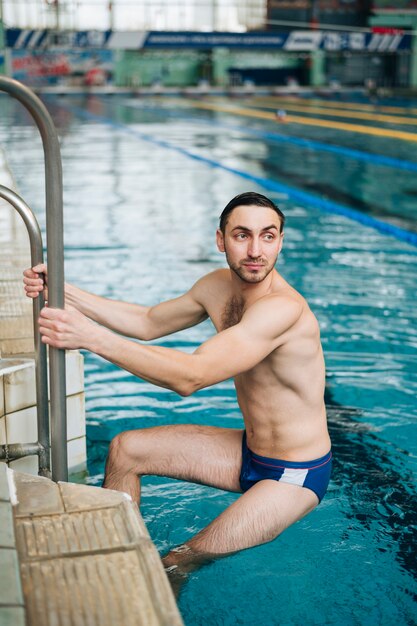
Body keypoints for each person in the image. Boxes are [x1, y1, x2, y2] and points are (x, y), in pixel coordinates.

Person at [23, 191, 331, 583]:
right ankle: (121, 564)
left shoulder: (282, 310)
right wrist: (64, 291)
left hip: (294, 472)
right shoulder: (218, 286)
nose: (256, 250)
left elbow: (191, 377)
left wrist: (90, 337)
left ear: (281, 241)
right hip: (248, 451)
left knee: (176, 561)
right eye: (242, 235)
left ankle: (144, 601)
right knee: (126, 450)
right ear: (221, 240)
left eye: (268, 236)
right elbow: (149, 321)